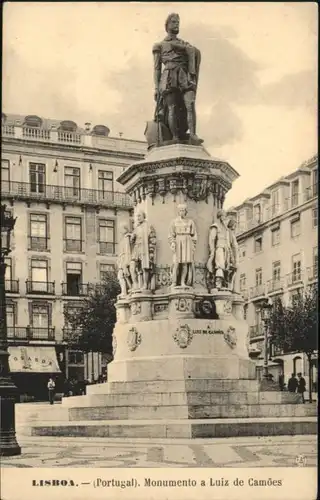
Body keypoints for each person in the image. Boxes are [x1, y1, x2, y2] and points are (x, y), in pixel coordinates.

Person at [152, 13, 202, 144]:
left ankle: (193, 134)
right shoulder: (159, 45)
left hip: (184, 75)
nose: (176, 24)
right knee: (172, 107)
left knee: (190, 103)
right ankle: (175, 137)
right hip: (169, 75)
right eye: (173, 22)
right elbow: (157, 68)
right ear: (167, 25)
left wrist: (188, 50)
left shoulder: (184, 44)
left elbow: (195, 54)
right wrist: (157, 88)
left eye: (178, 22)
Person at [168, 204, 197, 287]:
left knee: (185, 263)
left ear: (185, 212)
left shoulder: (190, 222)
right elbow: (171, 234)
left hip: (187, 241)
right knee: (176, 263)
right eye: (180, 210)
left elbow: (194, 235)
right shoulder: (174, 222)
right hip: (178, 240)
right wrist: (172, 243)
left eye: (183, 210)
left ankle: (182, 282)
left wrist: (193, 245)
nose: (182, 212)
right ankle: (174, 282)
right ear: (178, 212)